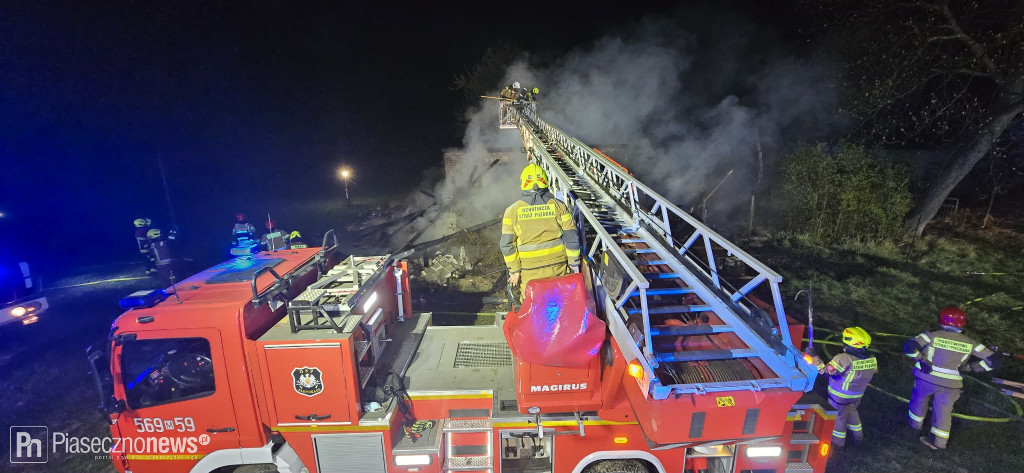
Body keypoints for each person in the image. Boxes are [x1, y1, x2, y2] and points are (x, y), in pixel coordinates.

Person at [904, 306, 995, 450]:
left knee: (918, 401)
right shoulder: (971, 342)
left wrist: (922, 360)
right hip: (952, 385)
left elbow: (909, 347)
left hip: (926, 378)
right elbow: (993, 361)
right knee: (944, 412)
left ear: (941, 321)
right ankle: (938, 444)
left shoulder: (932, 335)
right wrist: (971, 368)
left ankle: (913, 428)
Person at [500, 164, 581, 301]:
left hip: (529, 271)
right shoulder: (559, 206)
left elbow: (507, 244)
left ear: (523, 183)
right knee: (559, 304)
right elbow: (571, 236)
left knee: (533, 306)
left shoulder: (512, 211)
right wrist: (574, 263)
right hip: (558, 266)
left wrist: (515, 270)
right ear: (545, 181)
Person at [813, 327, 877, 447]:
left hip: (839, 396)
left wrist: (817, 363)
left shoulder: (843, 358)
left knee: (838, 417)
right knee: (852, 412)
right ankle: (858, 437)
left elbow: (826, 372)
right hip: (857, 395)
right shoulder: (872, 359)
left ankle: (838, 442)